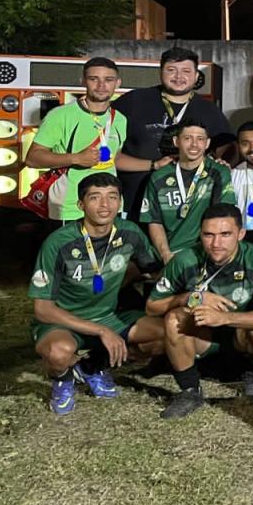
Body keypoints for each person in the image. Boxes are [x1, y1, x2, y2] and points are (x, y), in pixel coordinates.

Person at [29, 174, 165, 415]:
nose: (105, 205)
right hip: (64, 321)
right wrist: (102, 331)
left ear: (120, 202)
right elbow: (43, 308)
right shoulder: (58, 242)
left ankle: (91, 365)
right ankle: (64, 379)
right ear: (81, 205)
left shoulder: (130, 233)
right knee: (58, 353)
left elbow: (152, 270)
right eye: (95, 198)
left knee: (166, 335)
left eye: (112, 197)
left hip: (108, 315)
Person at [147, 204, 253, 418]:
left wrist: (224, 318)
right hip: (203, 335)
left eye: (225, 234)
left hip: (241, 336)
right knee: (174, 318)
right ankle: (190, 391)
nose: (216, 243)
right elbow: (152, 306)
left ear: (241, 234)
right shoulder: (186, 259)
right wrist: (193, 297)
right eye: (208, 235)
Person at [113, 47, 233, 217]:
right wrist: (153, 165)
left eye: (186, 71)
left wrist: (222, 162)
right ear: (160, 72)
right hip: (134, 201)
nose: (178, 77)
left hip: (188, 207)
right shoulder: (133, 101)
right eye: (171, 70)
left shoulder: (209, 110)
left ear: (196, 76)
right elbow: (108, 156)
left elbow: (227, 150)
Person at [25, 57, 136, 221]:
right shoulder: (60, 115)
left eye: (108, 80)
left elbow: (115, 158)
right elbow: (32, 159)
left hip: (109, 208)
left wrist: (155, 165)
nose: (101, 85)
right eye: (93, 79)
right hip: (71, 207)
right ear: (83, 81)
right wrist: (76, 158)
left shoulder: (120, 119)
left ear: (117, 83)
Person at [139, 120, 236, 263]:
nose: (194, 145)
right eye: (187, 138)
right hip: (167, 252)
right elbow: (154, 221)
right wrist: (166, 255)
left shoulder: (218, 172)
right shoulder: (159, 177)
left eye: (200, 139)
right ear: (176, 141)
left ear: (207, 143)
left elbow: (221, 217)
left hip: (202, 252)